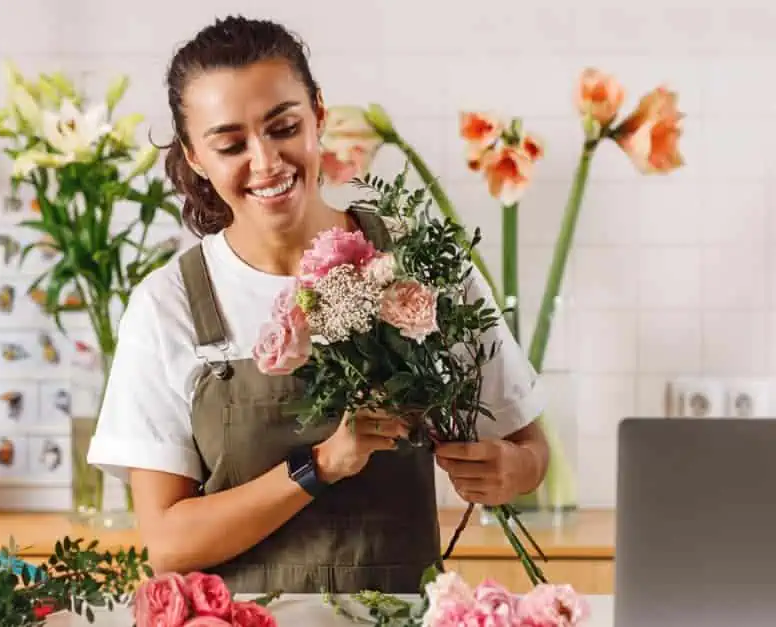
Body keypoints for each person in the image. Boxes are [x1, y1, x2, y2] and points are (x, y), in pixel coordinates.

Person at [85, 15, 550, 595]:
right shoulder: (169, 305)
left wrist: (508, 472)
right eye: (230, 144)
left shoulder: (420, 262)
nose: (266, 160)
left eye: (283, 127)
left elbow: (531, 449)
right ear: (196, 157)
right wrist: (323, 464)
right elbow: (168, 544)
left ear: (319, 115)